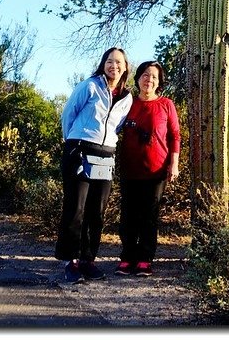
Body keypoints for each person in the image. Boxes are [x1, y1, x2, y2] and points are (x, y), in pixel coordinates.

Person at [55, 47, 133, 283]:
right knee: (76, 208)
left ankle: (88, 259)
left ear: (126, 67)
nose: (114, 66)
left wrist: (106, 141)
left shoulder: (127, 97)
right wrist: (75, 140)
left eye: (119, 62)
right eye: (109, 61)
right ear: (103, 64)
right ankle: (71, 261)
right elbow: (68, 114)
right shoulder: (89, 85)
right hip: (80, 149)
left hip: (106, 154)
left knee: (97, 211)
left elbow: (117, 126)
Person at [115, 60, 180, 277]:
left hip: (156, 170)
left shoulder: (166, 104)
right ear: (138, 78)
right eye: (145, 75)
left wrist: (174, 163)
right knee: (128, 215)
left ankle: (145, 258)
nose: (148, 79)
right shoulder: (128, 102)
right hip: (129, 168)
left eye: (153, 76)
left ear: (159, 81)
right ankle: (127, 256)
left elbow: (174, 136)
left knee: (149, 214)